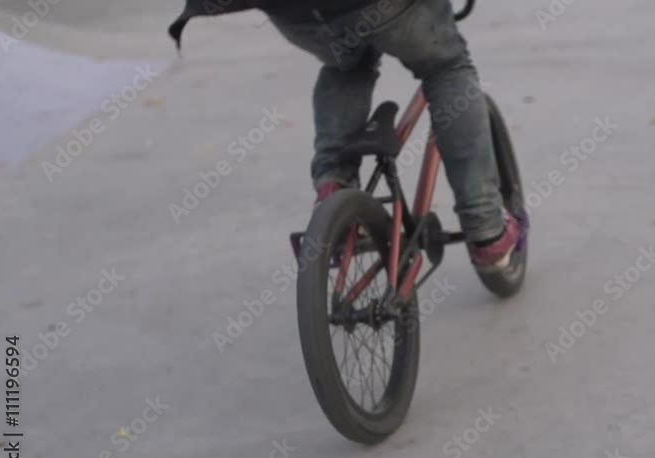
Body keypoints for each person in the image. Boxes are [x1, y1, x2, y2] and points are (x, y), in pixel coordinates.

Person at [169, 0, 521, 270]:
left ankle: (334, 188)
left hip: (296, 14)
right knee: (447, 66)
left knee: (346, 62)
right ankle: (486, 227)